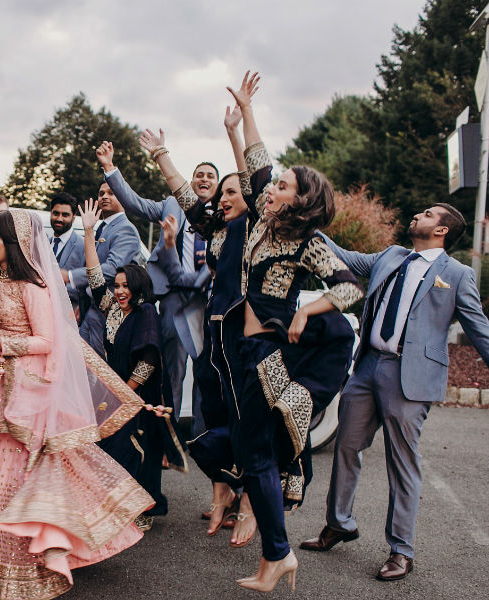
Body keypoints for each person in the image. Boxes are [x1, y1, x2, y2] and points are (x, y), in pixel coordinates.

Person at [141, 71, 364, 591]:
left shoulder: (305, 242)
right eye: (274, 182)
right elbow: (248, 168)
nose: (271, 187)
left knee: (257, 451)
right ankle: (276, 552)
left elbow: (352, 289)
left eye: (282, 185)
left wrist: (310, 311)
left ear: (298, 199)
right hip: (237, 350)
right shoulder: (258, 220)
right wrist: (244, 114)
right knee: (245, 449)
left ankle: (275, 551)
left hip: (266, 354)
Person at [0, 161, 155, 599]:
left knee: (16, 471)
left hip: (30, 390)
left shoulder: (34, 286)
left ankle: (29, 557)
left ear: (14, 242)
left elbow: (48, 340)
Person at [300, 203, 489, 581]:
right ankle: (339, 523)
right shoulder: (391, 256)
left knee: (402, 462)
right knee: (347, 446)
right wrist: (306, 224)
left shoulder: (458, 274)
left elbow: (479, 328)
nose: (419, 214)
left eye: (430, 214)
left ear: (443, 231)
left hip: (412, 375)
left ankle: (402, 550)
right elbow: (346, 257)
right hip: (368, 366)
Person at [150, 106, 257, 545]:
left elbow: (252, 175)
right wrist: (161, 157)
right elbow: (183, 194)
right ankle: (222, 493)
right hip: (215, 335)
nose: (226, 197)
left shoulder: (255, 229)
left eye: (234, 190)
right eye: (223, 193)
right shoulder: (213, 229)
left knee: (246, 418)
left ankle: (248, 500)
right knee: (212, 418)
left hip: (246, 334)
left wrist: (238, 127)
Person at [95, 141, 214, 440]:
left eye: (210, 175)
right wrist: (110, 168)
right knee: (171, 371)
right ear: (191, 179)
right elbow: (134, 203)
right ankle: (167, 438)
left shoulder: (223, 216)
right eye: (199, 174)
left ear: (216, 183)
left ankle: (202, 437)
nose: (203, 179)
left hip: (208, 300)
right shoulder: (172, 204)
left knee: (206, 372)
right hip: (174, 297)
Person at [80, 196, 185, 529]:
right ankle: (116, 503)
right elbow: (95, 276)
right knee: (111, 447)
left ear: (138, 287)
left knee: (139, 451)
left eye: (126, 286)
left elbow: (149, 359)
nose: (120, 291)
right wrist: (87, 233)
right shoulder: (112, 309)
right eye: (118, 286)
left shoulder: (145, 313)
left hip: (140, 396)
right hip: (118, 394)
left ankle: (143, 509)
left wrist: (124, 396)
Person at [66, 180, 141, 356]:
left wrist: (70, 275)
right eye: (101, 193)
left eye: (111, 192)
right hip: (92, 309)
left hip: (111, 310)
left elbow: (112, 269)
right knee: (83, 365)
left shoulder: (126, 229)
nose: (105, 196)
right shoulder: (102, 227)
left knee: (105, 371)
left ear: (124, 196)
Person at [50, 193, 86, 315]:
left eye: (65, 215)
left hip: (69, 314)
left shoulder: (83, 245)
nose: (59, 219)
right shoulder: (44, 243)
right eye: (56, 213)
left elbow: (91, 278)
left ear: (74, 217)